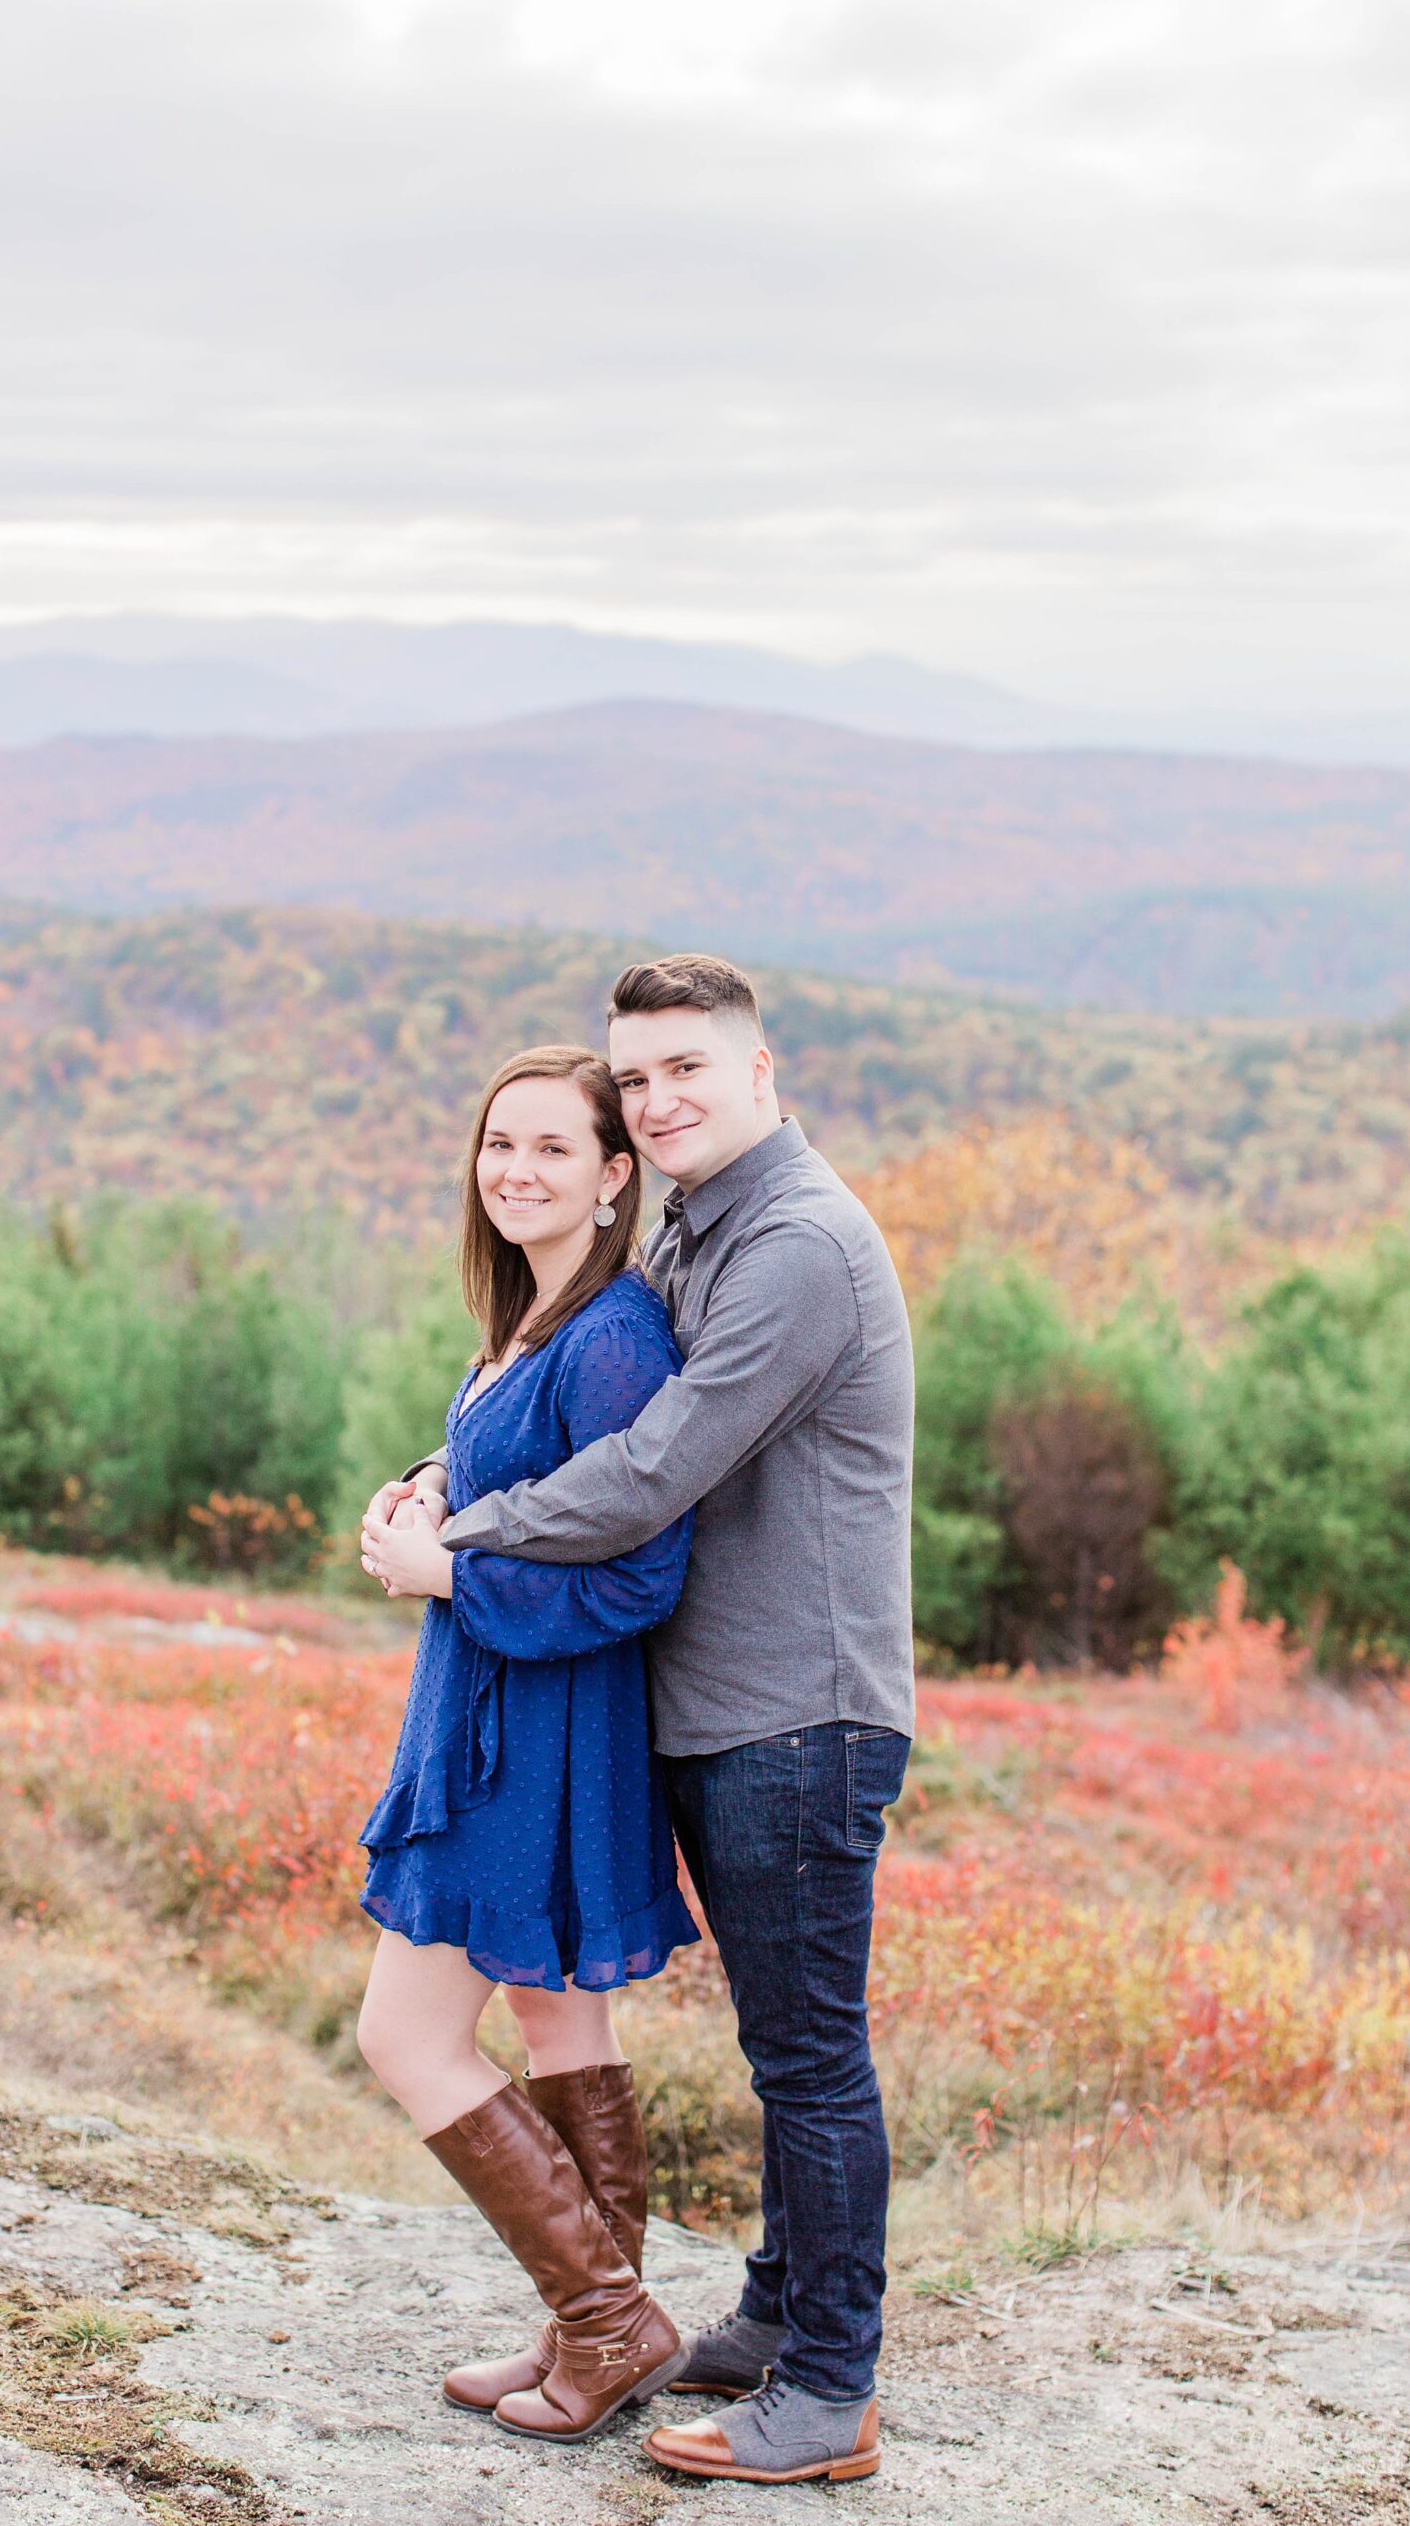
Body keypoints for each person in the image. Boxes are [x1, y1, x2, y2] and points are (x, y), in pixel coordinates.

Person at [364, 954, 916, 2490]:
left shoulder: (796, 1244)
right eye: (643, 1074)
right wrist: (446, 1468)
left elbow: (650, 1466)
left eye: (689, 1069)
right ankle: (755, 2317)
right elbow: (565, 1401)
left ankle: (829, 2390)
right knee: (760, 2045)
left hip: (794, 1709)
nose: (663, 1097)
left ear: (760, 1070)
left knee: (808, 2058)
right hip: (699, 1703)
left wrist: (454, 1548)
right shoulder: (697, 1227)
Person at [354, 1041, 700, 2446]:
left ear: (617, 1177)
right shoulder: (532, 1320)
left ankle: (616, 2322)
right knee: (563, 2021)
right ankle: (588, 2328)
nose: (518, 1170)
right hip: (505, 1715)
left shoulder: (614, 1336)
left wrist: (449, 1575)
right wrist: (434, 1480)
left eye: (555, 1148)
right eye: (502, 1144)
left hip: (538, 1741)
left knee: (405, 2036)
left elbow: (639, 1576)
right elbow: (528, 1479)